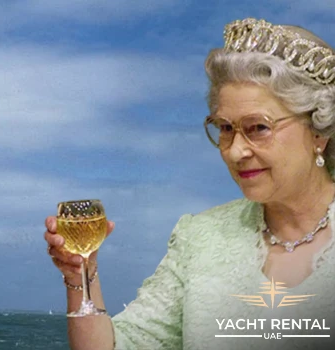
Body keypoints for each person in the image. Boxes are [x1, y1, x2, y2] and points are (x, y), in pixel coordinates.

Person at [44, 18, 335, 349]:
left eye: (258, 128)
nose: (236, 151)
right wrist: (80, 277)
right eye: (225, 128)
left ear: (318, 131)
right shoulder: (200, 238)